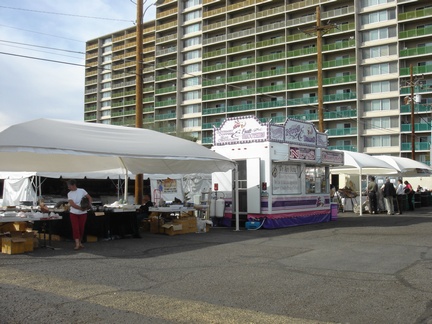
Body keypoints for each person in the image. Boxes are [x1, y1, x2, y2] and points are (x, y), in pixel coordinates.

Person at [67, 179, 92, 250]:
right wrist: (80, 208)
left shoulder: (82, 190)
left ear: (74, 185)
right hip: (74, 213)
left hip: (83, 213)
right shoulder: (69, 194)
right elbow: (72, 204)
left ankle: (80, 241)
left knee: (81, 228)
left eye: (69, 186)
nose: (69, 188)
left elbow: (89, 197)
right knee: (75, 228)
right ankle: (77, 243)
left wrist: (89, 205)